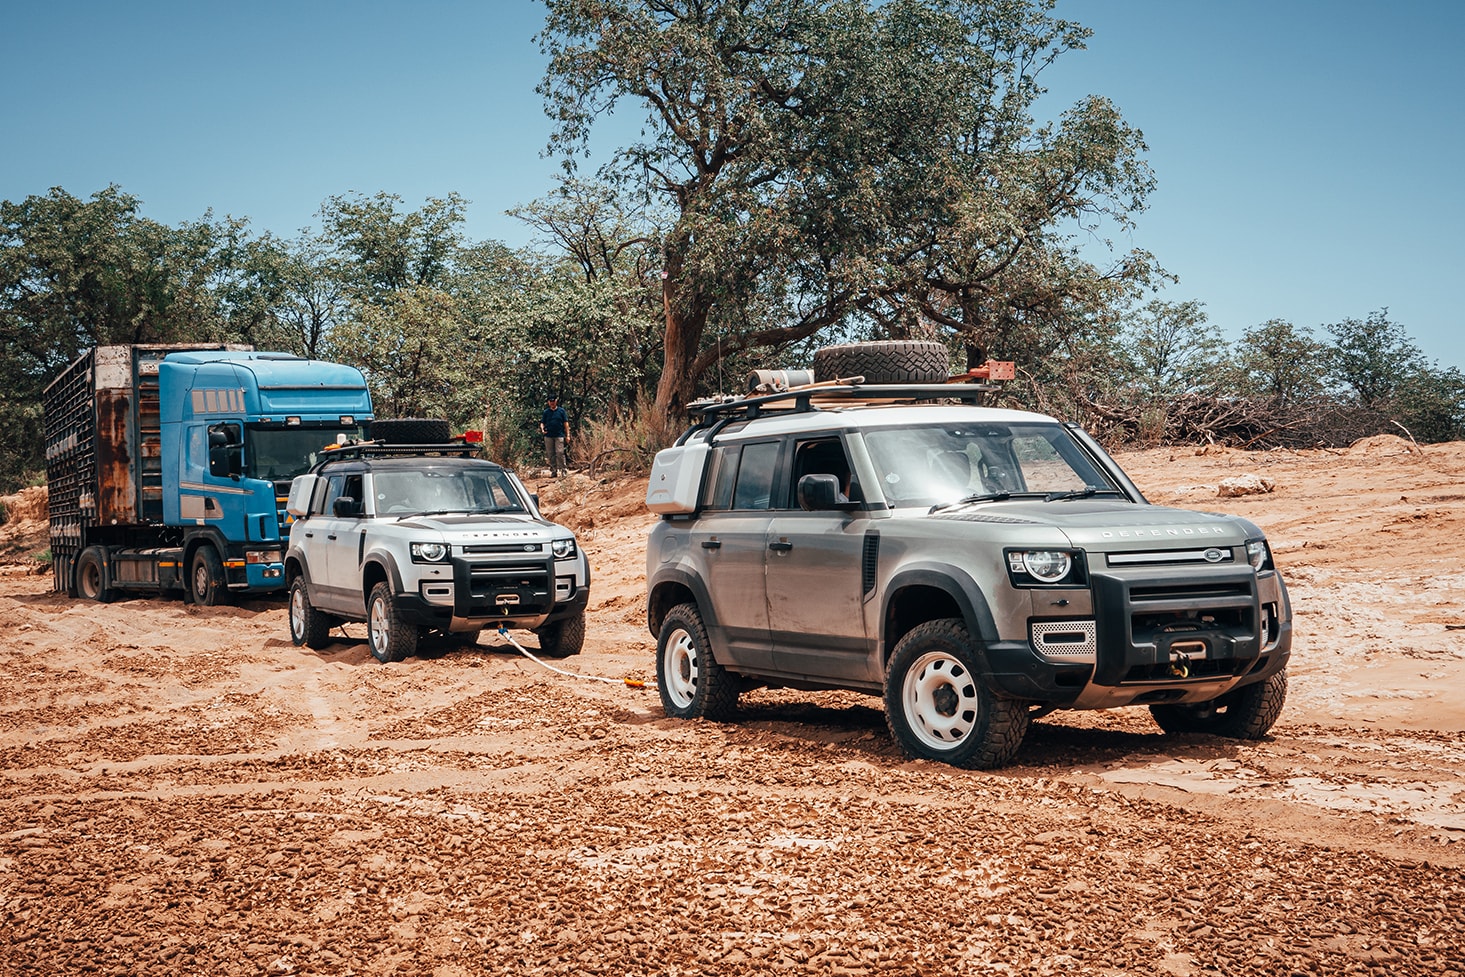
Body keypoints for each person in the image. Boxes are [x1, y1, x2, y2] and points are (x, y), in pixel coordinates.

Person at [539, 395, 570, 477]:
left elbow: (566, 424)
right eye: (550, 401)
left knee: (560, 453)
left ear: (556, 401)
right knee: (551, 454)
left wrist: (568, 435)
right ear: (548, 402)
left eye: (553, 401)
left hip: (559, 435)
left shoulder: (561, 411)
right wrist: (542, 429)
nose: (552, 403)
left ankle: (563, 470)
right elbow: (542, 422)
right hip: (548, 436)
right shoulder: (546, 412)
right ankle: (554, 470)